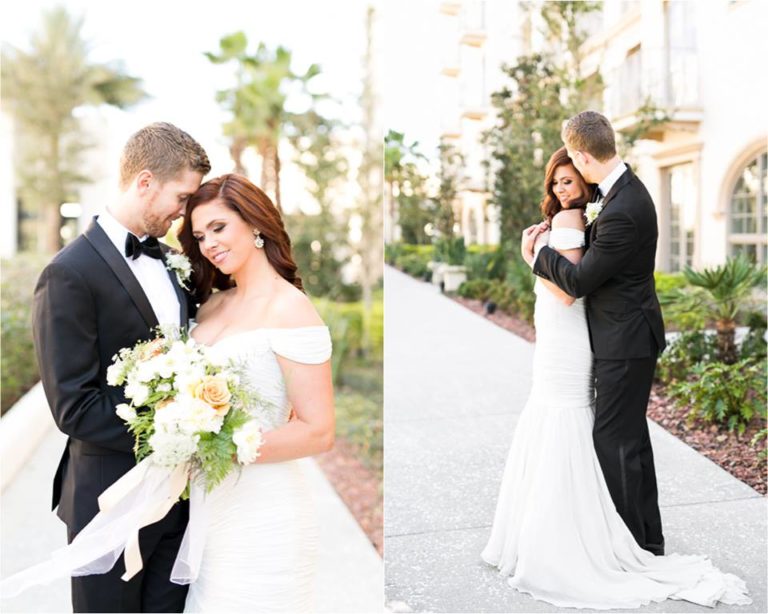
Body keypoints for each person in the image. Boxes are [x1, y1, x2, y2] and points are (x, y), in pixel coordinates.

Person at [481, 123, 751, 608]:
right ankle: (643, 540)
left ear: (583, 157)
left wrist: (534, 254)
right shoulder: (622, 192)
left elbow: (580, 281)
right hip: (620, 337)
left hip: (624, 342)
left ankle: (635, 548)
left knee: (615, 442)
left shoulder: (623, 206)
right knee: (626, 441)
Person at [31, 122, 210, 612]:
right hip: (107, 502)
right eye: (181, 196)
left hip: (179, 501)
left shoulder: (174, 262)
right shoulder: (68, 273)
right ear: (145, 182)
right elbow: (74, 406)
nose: (183, 211)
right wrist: (175, 425)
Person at [177, 173, 335, 612]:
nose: (209, 243)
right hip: (209, 507)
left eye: (219, 228)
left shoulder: (290, 308)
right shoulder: (211, 304)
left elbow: (318, 431)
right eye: (199, 235)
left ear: (255, 224)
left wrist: (213, 446)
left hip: (266, 511)